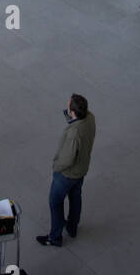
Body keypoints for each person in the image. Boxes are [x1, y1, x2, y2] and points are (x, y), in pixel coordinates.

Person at [36, 93, 96, 247]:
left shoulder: (73, 133)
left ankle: (55, 237)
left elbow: (68, 159)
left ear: (73, 112)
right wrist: (70, 118)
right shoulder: (90, 118)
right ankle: (72, 227)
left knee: (55, 202)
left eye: (68, 106)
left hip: (67, 175)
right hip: (81, 170)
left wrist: (56, 167)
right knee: (76, 197)